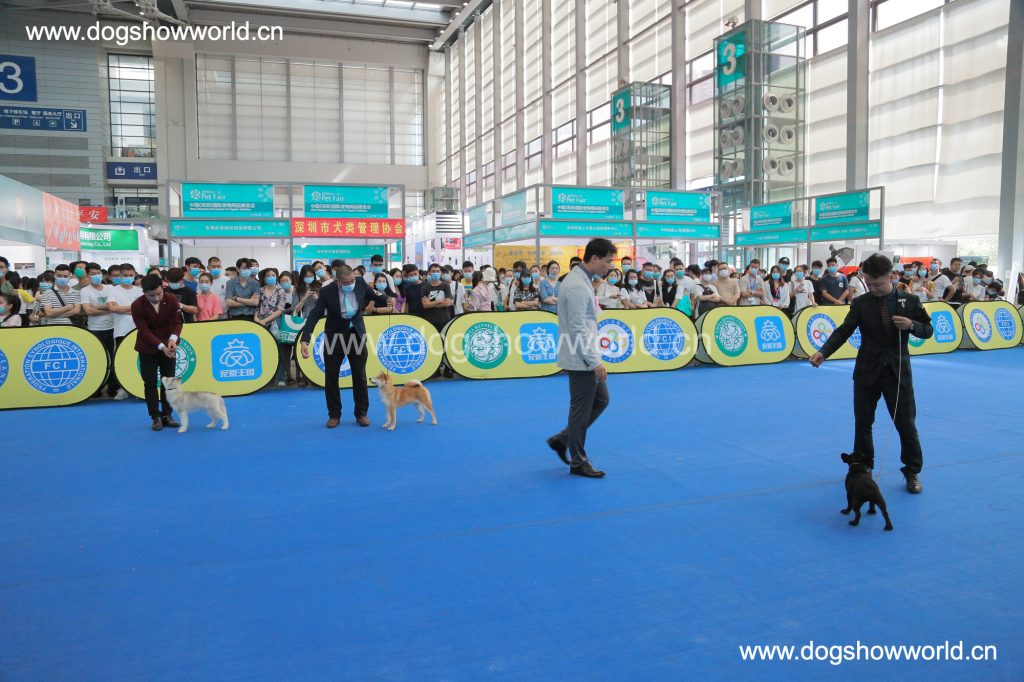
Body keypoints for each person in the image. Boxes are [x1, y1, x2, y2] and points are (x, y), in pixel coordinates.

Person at [810, 253, 932, 494]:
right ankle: (863, 466)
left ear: (891, 277)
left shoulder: (910, 301)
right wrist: (823, 352)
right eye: (869, 283)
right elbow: (844, 331)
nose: (873, 288)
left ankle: (912, 471)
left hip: (898, 373)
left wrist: (911, 325)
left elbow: (928, 330)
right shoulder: (860, 303)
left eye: (878, 284)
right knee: (863, 423)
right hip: (866, 371)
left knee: (906, 425)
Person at [546, 238, 616, 478]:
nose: (610, 266)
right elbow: (577, 327)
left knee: (601, 400)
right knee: (580, 410)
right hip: (581, 357)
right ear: (594, 258)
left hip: (585, 353)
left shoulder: (584, 280)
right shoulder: (576, 285)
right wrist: (593, 361)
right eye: (608, 261)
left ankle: (563, 439)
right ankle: (578, 461)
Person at [299, 263, 373, 428]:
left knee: (360, 376)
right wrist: (305, 339)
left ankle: (361, 413)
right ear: (337, 281)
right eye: (346, 282)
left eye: (352, 281)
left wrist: (387, 298)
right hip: (334, 338)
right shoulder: (326, 291)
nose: (350, 284)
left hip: (356, 335)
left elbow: (375, 295)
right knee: (331, 377)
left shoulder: (360, 282)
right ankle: (334, 415)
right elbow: (315, 314)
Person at [131, 274, 183, 432]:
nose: (156, 298)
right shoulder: (137, 305)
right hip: (147, 348)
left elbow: (178, 322)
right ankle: (155, 416)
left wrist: (173, 339)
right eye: (151, 295)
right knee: (150, 382)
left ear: (163, 288)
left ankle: (168, 415)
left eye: (159, 294)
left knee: (169, 383)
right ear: (144, 293)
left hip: (170, 345)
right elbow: (144, 331)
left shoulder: (171, 299)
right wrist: (162, 347)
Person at [80, 262, 119, 397]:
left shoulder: (110, 288)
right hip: (95, 330)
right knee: (99, 360)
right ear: (87, 275)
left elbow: (114, 305)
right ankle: (96, 388)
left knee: (114, 359)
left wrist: (96, 307)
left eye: (98, 273)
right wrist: (108, 308)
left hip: (113, 328)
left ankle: (113, 388)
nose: (96, 276)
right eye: (93, 274)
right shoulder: (85, 291)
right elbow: (88, 311)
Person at [254, 267, 291, 387]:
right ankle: (266, 378)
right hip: (260, 322)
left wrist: (266, 320)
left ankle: (280, 378)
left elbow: (280, 309)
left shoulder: (281, 291)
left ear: (276, 277)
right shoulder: (260, 290)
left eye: (273, 275)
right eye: (268, 275)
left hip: (276, 322)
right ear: (264, 278)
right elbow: (257, 306)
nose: (270, 277)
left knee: (279, 350)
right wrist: (256, 318)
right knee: (263, 350)